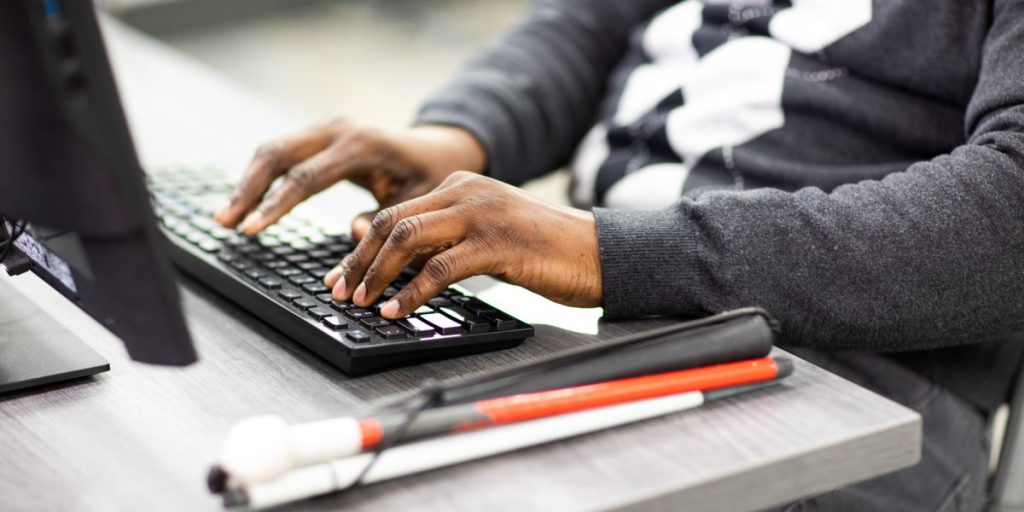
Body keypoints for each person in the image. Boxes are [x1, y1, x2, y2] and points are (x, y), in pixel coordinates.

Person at [215, 1, 1024, 509]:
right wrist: (456, 136)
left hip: (842, 382)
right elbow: (592, 22)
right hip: (597, 317)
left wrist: (601, 249)